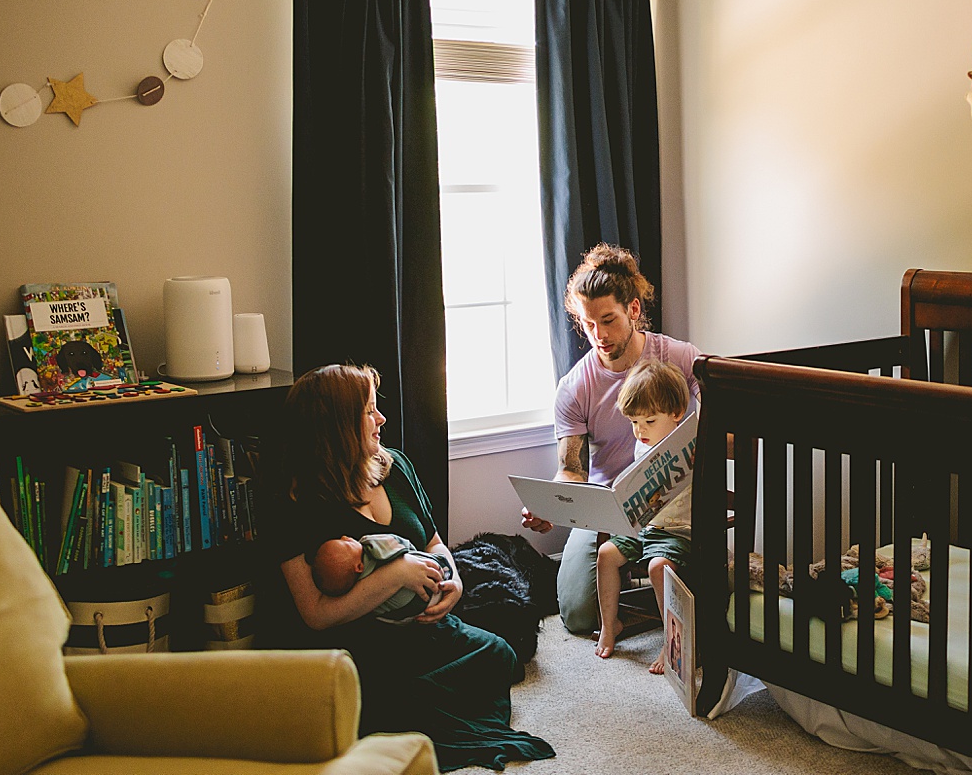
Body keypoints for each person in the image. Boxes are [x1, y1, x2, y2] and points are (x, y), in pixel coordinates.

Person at [262, 363, 554, 772]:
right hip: (362, 640)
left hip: (425, 627)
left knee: (501, 655)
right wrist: (394, 576)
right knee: (388, 705)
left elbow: (434, 543)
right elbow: (314, 614)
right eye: (368, 412)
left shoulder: (395, 467)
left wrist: (453, 583)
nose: (381, 419)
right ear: (338, 425)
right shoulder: (293, 505)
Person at [519, 243, 700, 636]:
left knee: (712, 597)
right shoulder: (574, 387)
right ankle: (630, 607)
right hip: (608, 504)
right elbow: (571, 469)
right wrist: (551, 505)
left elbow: (725, 424)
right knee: (578, 615)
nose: (598, 335)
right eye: (587, 324)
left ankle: (664, 595)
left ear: (633, 309)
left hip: (673, 503)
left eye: (608, 320)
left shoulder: (680, 358)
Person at [595, 358, 694, 673]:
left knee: (658, 567)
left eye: (649, 421)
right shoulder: (643, 444)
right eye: (634, 422)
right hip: (644, 526)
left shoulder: (689, 446)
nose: (640, 431)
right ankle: (611, 626)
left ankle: (673, 641)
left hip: (677, 530)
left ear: (675, 413)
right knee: (606, 554)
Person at [310, 532, 454, 623]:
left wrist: (457, 585)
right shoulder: (370, 545)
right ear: (359, 567)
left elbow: (435, 543)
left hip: (418, 612)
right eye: (346, 544)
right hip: (428, 591)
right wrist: (400, 569)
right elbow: (398, 543)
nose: (345, 536)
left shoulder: (354, 585)